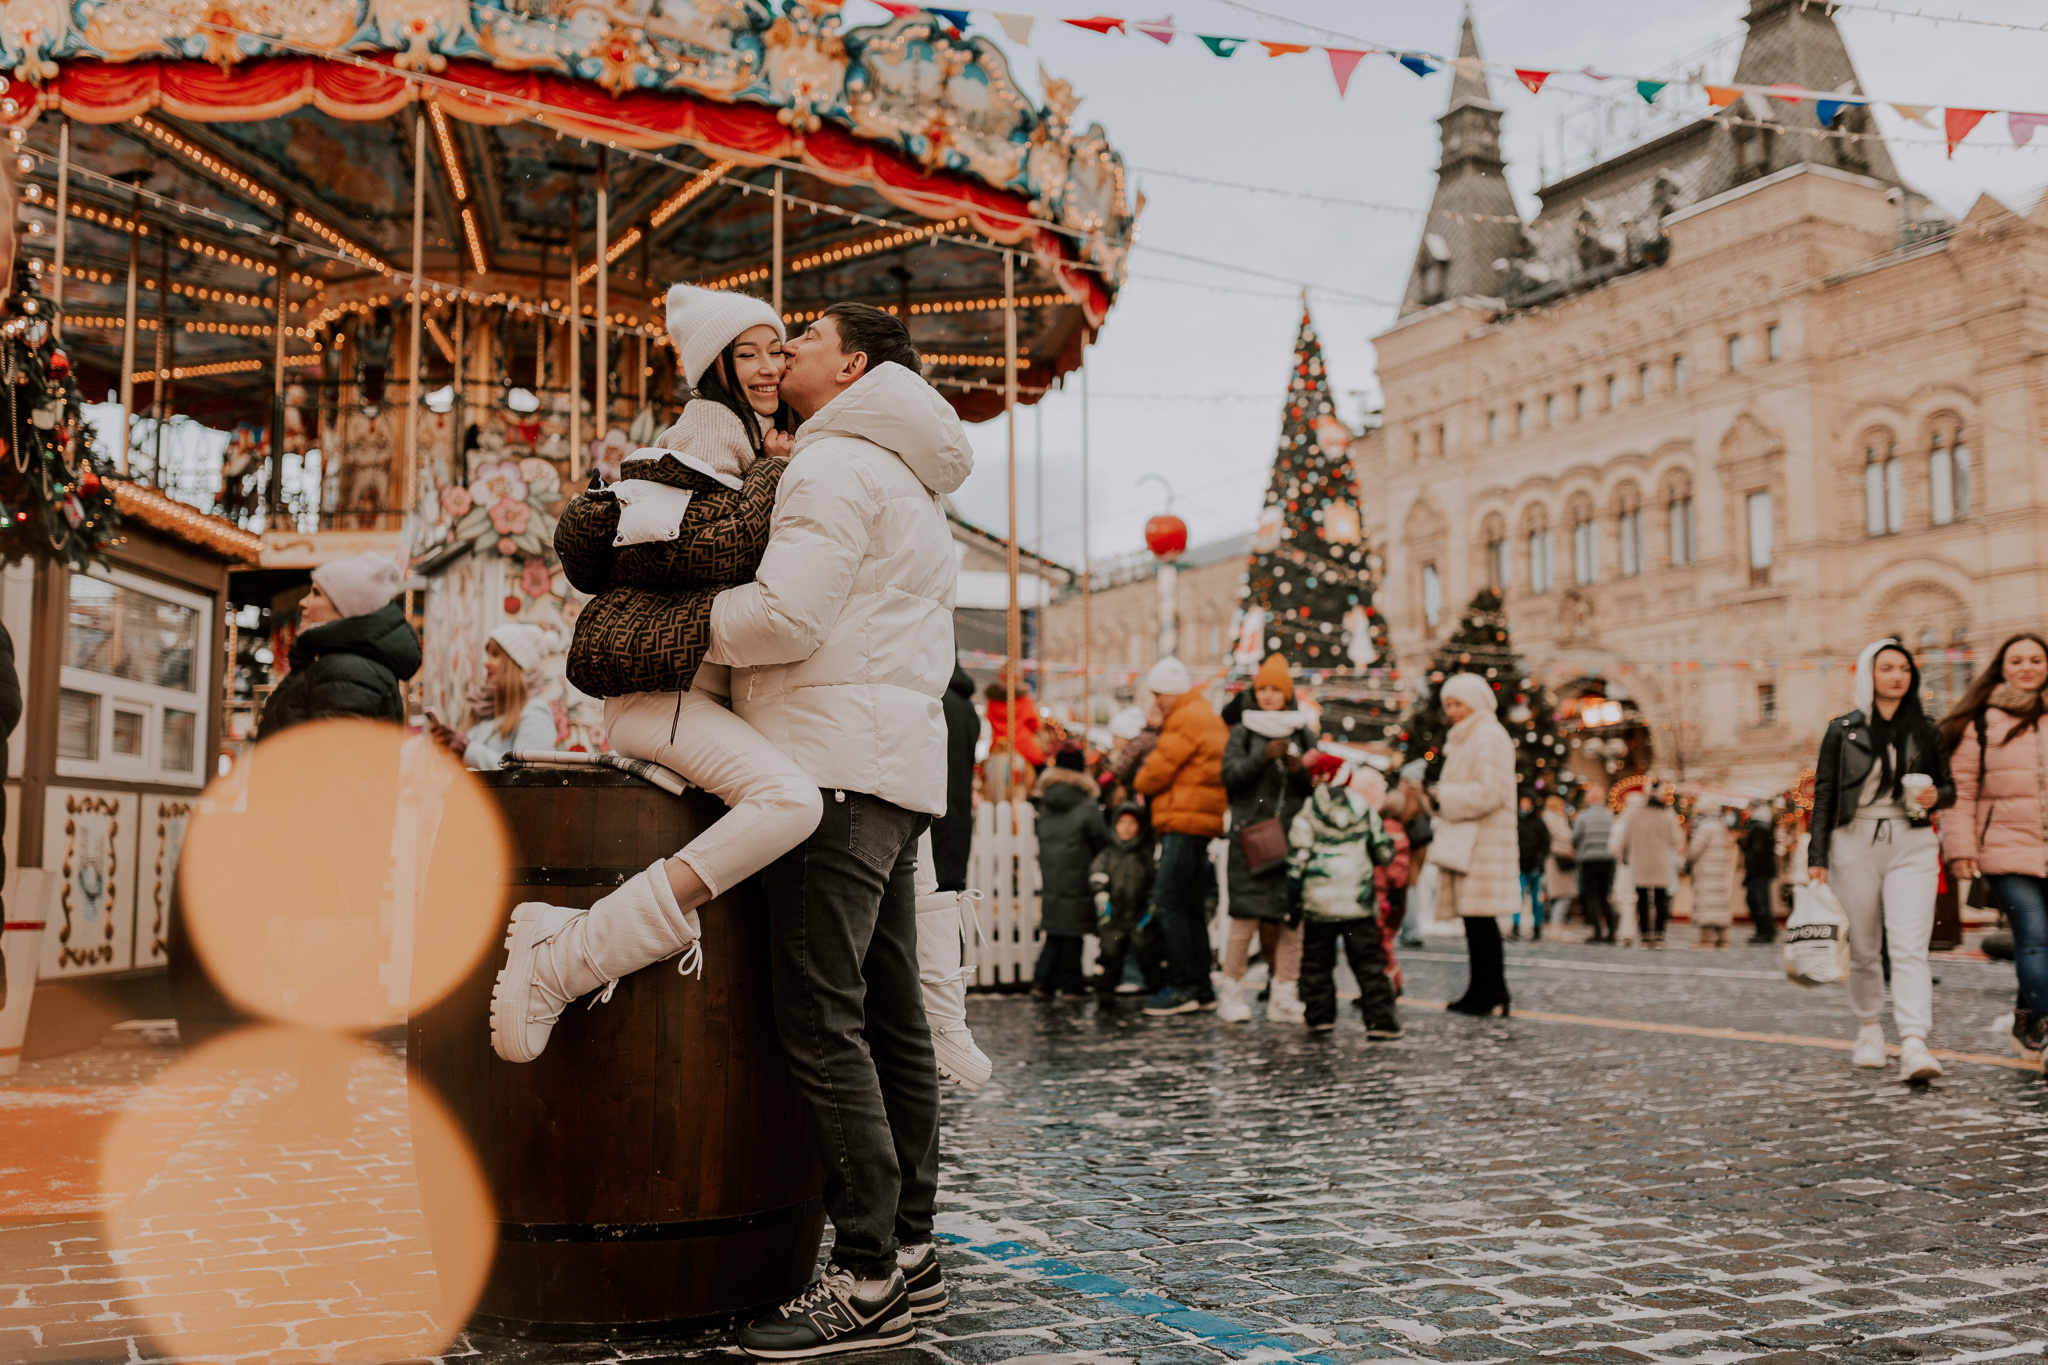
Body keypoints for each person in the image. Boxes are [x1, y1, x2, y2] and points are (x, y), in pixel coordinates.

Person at [709, 303, 971, 1355]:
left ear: (853, 364)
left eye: (804, 340)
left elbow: (786, 617)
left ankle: (862, 1277)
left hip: (825, 768)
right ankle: (912, 1253)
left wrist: (680, 626)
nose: (784, 354)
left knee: (822, 1021)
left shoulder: (831, 465)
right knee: (894, 1018)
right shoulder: (907, 475)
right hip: (891, 771)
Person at [489, 286, 817, 1066]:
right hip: (660, 691)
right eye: (747, 353)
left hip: (682, 690)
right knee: (789, 801)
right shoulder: (706, 428)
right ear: (716, 367)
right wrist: (775, 475)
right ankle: (569, 956)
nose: (768, 366)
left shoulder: (750, 431)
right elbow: (699, 546)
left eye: (775, 349)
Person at [1813, 638, 1955, 1082]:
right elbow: (1824, 794)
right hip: (1852, 841)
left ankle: (1914, 1041)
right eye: (1887, 668)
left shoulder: (1927, 729)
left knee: (1909, 946)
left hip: (1912, 841)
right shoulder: (1841, 730)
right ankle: (1869, 1029)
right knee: (1864, 946)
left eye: (1905, 669)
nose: (1897, 676)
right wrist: (1817, 857)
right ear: (1867, 674)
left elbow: (1949, 788)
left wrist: (1936, 796)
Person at [1939, 632, 2048, 1062]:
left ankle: (2025, 1022)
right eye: (2016, 660)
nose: (2027, 667)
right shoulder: (1981, 723)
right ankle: (2043, 1027)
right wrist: (1960, 849)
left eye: (2035, 659)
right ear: (2002, 669)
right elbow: (1961, 790)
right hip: (2006, 850)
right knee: (2034, 936)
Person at [1216, 654, 1315, 1024]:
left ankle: (1284, 996)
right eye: (1263, 689)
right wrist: (1261, 757)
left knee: (1292, 922)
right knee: (1245, 920)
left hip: (1293, 842)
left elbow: (1317, 784)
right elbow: (1229, 777)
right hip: (1251, 842)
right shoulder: (1243, 732)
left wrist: (1300, 770)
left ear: (1287, 693)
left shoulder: (1302, 732)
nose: (1269, 695)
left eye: (1276, 689)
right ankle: (1231, 993)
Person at [1131, 657, 1230, 1017]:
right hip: (1196, 822)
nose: (1156, 702)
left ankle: (1182, 986)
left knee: (1169, 901)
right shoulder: (1202, 714)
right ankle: (1201, 987)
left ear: (1172, 692)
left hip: (1183, 822)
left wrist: (1141, 778)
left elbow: (1154, 773)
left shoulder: (1187, 718)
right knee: (1189, 906)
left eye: (1159, 695)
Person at [1287, 755, 1400, 1036]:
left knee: (1317, 962)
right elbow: (1384, 852)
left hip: (1319, 902)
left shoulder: (1309, 809)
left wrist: (1293, 894)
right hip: (1357, 901)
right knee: (1367, 961)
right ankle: (1381, 1021)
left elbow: (1298, 856)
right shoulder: (1363, 808)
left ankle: (1319, 1017)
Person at [1430, 673, 1518, 1016]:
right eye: (1448, 704)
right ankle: (1485, 989)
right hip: (1473, 841)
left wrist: (1443, 796)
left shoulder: (1487, 736)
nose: (1451, 711)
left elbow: (1490, 792)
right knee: (1476, 922)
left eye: (1458, 703)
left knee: (1480, 922)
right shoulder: (1468, 737)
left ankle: (1490, 991)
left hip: (1482, 842)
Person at [257, 551, 419, 737]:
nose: (303, 602)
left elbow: (338, 751)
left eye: (316, 593)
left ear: (347, 609)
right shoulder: (345, 666)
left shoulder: (347, 672)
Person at [1033, 748, 1109, 998]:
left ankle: (1044, 982)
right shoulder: (1086, 805)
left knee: (1057, 930)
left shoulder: (1046, 802)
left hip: (1052, 873)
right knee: (1072, 932)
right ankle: (1070, 984)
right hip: (1078, 873)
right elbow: (1101, 840)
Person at [430, 624, 557, 771]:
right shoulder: (489, 707)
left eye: (495, 655)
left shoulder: (535, 713)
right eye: (488, 655)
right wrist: (451, 744)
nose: (486, 663)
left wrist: (467, 748)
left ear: (515, 664)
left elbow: (526, 775)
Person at [1092, 803, 1164, 1000]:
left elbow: (1154, 882)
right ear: (1114, 825)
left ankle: (1157, 992)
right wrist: (1101, 897)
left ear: (1140, 827)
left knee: (1148, 955)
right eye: (1122, 822)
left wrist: (1151, 905)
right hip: (1113, 918)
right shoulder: (1108, 854)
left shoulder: (1145, 856)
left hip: (1139, 917)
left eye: (1132, 823)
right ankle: (1104, 994)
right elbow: (1097, 875)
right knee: (1109, 956)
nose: (1126, 827)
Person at [1620, 782, 1681, 947]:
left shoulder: (1635, 813)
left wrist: (1625, 856)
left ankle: (1646, 934)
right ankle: (1660, 933)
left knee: (1642, 898)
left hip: (1640, 860)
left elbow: (1625, 838)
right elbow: (1676, 838)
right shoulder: (1666, 813)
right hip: (1661, 861)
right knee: (1661, 898)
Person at [1376, 789, 1412, 996]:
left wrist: (1395, 888)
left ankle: (1391, 982)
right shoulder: (1395, 827)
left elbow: (1396, 863)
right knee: (1382, 940)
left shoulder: (1388, 827)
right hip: (1387, 892)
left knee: (1380, 940)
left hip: (1383, 893)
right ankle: (1390, 982)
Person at [1572, 784, 1617, 943]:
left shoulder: (1582, 817)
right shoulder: (1610, 817)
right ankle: (1611, 930)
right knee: (1605, 895)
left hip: (1588, 860)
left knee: (1591, 896)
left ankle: (1597, 930)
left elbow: (1575, 838)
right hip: (1607, 861)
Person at [1685, 804, 1734, 948]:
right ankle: (1723, 938)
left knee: (1706, 903)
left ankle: (1706, 939)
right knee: (1719, 904)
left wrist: (1687, 862)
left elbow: (1695, 849)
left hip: (1706, 870)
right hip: (1718, 870)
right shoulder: (1720, 825)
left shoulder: (1705, 826)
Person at [984, 669, 1046, 769]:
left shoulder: (992, 702)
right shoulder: (1025, 700)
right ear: (1018, 678)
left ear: (1000, 677)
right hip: (1023, 747)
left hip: (999, 745)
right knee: (1040, 764)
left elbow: (990, 722)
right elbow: (1035, 725)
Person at [1742, 805, 1780, 943]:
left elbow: (1756, 851)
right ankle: (1766, 930)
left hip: (1758, 872)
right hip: (1762, 871)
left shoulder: (1757, 829)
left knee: (1757, 901)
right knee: (1761, 900)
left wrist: (1752, 868)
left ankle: (1764, 930)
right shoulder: (1765, 828)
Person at [1541, 793, 1577, 937]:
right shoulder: (1550, 820)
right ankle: (1556, 929)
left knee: (1562, 895)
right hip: (1557, 862)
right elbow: (1550, 843)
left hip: (1562, 862)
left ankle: (1557, 927)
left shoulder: (1558, 819)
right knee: (1563, 895)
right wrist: (1567, 850)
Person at [1514, 794, 1547, 939]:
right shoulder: (1516, 821)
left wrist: (1539, 863)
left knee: (1537, 900)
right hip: (1520, 866)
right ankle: (1515, 925)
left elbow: (1545, 845)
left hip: (1535, 867)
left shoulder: (1539, 823)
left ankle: (1537, 927)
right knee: (1517, 897)